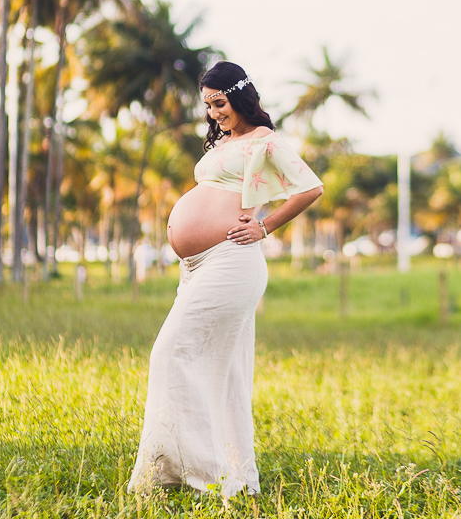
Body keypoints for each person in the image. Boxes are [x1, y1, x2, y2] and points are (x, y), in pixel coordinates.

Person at [128, 61, 323, 497]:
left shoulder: (264, 141)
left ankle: (208, 475)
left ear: (239, 96)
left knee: (170, 351)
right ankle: (219, 473)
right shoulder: (224, 143)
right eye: (209, 105)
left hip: (233, 260)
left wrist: (265, 227)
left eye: (219, 103)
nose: (214, 113)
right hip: (195, 266)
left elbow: (310, 188)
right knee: (224, 370)